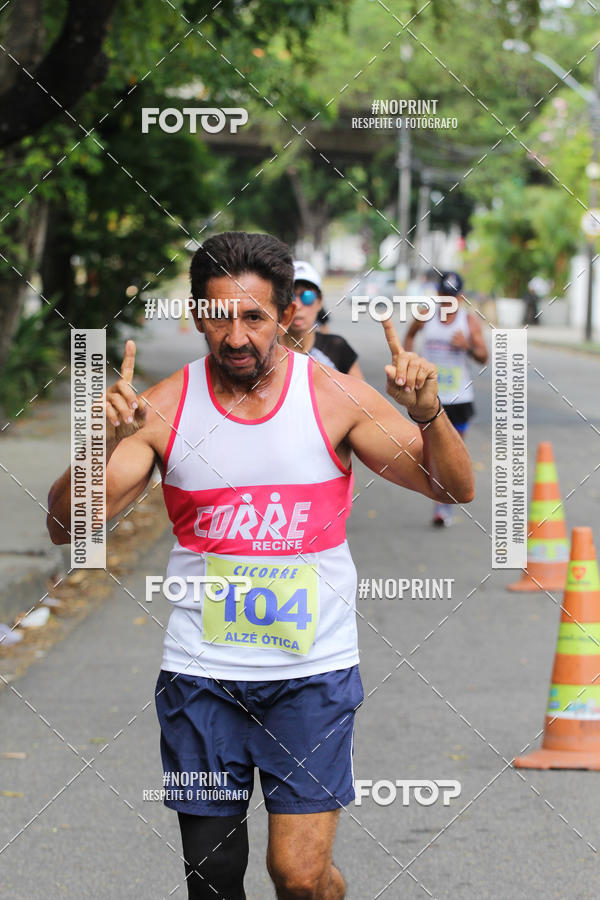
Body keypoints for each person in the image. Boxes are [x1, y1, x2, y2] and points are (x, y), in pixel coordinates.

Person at [47, 232, 474, 900]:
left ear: (286, 316)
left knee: (299, 877)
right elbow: (65, 523)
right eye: (219, 316)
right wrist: (99, 439)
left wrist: (431, 417)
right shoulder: (162, 408)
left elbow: (452, 488)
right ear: (195, 315)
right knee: (213, 878)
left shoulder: (334, 398)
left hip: (312, 679)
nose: (236, 335)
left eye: (253, 317)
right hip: (202, 679)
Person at [404, 270, 488, 527]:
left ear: (460, 298)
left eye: (452, 297)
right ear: (437, 294)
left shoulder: (469, 322)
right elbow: (409, 335)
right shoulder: (426, 315)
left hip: (460, 398)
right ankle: (440, 501)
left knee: (454, 451)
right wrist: (410, 360)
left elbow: (484, 356)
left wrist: (468, 346)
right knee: (432, 451)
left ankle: (445, 503)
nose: (447, 301)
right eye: (443, 295)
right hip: (432, 398)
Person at [282, 260, 363, 377]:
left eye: (307, 296)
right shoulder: (266, 351)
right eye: (290, 297)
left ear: (319, 302)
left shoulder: (336, 348)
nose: (297, 306)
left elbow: (360, 394)